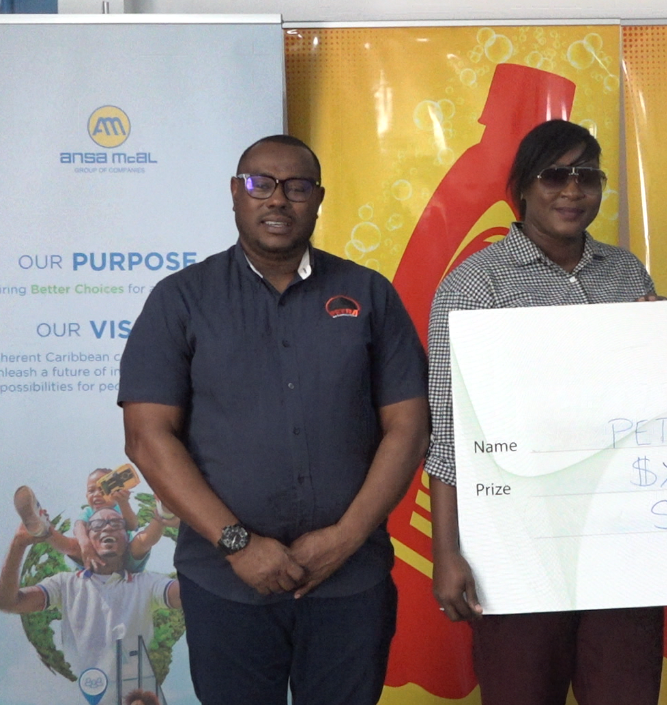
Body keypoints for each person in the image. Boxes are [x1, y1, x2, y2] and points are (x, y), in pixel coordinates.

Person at [116, 135, 431, 705]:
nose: (278, 199)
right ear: (236, 194)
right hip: (225, 583)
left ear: (319, 199)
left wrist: (344, 539)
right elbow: (146, 436)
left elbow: (409, 428)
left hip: (350, 582)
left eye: (297, 186)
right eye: (260, 184)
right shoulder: (181, 299)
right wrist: (237, 544)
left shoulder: (368, 294)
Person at [428, 119, 665, 705]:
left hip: (620, 539)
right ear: (522, 189)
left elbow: (655, 404)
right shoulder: (475, 286)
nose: (573, 190)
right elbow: (450, 430)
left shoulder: (626, 273)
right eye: (555, 176)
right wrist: (446, 550)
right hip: (516, 544)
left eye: (588, 176)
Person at [0, 508, 181, 679]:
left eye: (116, 524)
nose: (107, 528)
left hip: (132, 691)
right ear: (86, 539)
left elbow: (187, 595)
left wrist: (189, 526)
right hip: (80, 691)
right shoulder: (64, 584)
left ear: (127, 538)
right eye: (97, 525)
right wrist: (18, 543)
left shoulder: (147, 584)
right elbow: (9, 602)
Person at [14, 466, 169, 574]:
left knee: (141, 542)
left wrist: (123, 503)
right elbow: (79, 526)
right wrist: (85, 544)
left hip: (126, 560)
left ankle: (163, 511)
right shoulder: (88, 512)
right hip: (93, 559)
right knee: (72, 546)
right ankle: (42, 528)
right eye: (91, 490)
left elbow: (132, 525)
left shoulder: (119, 507)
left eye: (103, 489)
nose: (96, 495)